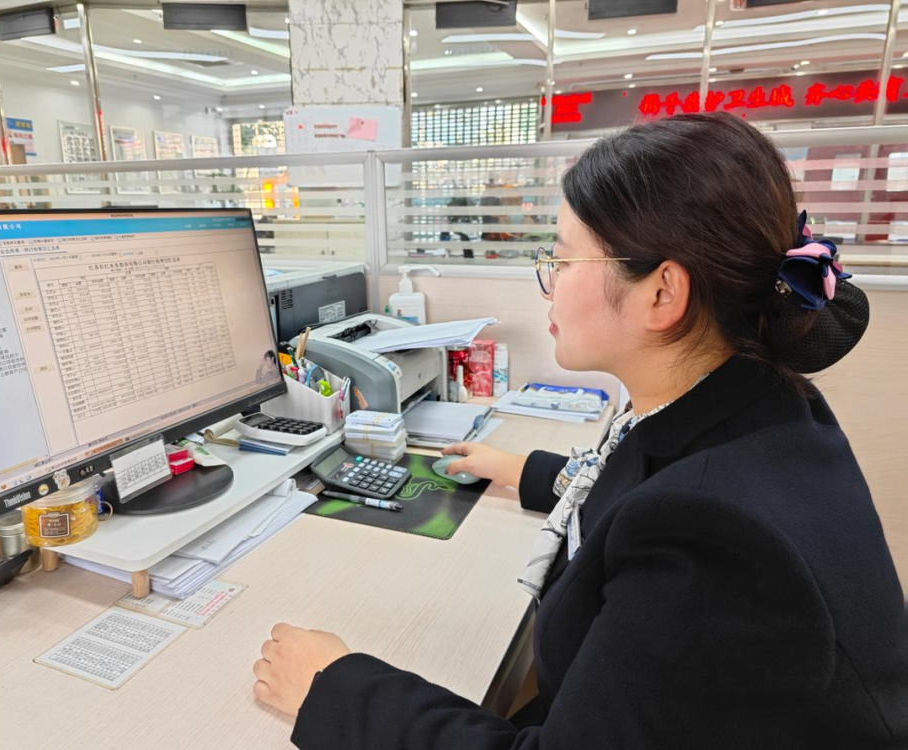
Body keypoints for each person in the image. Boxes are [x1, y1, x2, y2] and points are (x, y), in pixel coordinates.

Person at [251, 113, 908, 748]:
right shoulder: (757, 403)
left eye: (563, 261)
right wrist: (523, 471)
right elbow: (644, 476)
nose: (548, 285)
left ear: (662, 293)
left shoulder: (710, 535)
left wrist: (334, 691)